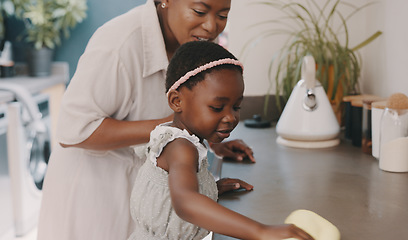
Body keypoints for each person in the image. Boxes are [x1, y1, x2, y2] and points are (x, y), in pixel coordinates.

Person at [37, 1, 256, 239]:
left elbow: (191, 106)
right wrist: (179, 130)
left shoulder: (197, 42)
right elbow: (74, 130)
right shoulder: (118, 44)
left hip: (147, 201)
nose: (211, 26)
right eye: (199, 11)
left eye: (223, 15)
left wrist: (208, 138)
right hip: (93, 198)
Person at [129, 40, 313, 240]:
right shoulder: (180, 146)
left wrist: (209, 190)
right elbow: (185, 203)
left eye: (236, 107)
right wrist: (261, 231)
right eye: (217, 108)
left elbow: (173, 194)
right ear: (177, 101)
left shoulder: (186, 138)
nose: (231, 117)